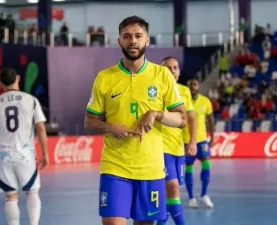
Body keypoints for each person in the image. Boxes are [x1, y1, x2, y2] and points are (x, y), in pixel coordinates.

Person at [84, 16, 187, 225]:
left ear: (147, 40)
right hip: (115, 167)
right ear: (119, 41)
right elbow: (89, 122)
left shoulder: (162, 75)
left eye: (138, 36)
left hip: (151, 168)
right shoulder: (104, 78)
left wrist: (156, 114)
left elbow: (182, 119)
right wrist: (109, 126)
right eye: (127, 36)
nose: (133, 41)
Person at [0, 68, 49, 225]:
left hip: (4, 156)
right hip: (25, 155)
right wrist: (45, 153)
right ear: (18, 78)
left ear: (0, 83)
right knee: (32, 191)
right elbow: (40, 128)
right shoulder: (31, 100)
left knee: (10, 196)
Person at [156, 57, 197, 225]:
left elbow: (192, 119)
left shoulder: (184, 91)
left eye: (175, 67)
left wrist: (193, 141)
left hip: (178, 149)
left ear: (179, 71)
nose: (172, 70)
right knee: (172, 188)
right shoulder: (155, 90)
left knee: (172, 193)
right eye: (168, 67)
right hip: (160, 148)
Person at [183, 78, 215, 208]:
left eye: (195, 85)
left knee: (206, 163)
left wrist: (212, 136)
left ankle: (204, 194)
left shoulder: (205, 101)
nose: (192, 87)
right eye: (190, 85)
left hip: (201, 139)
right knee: (189, 167)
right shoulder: (182, 100)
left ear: (199, 87)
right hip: (186, 140)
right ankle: (191, 198)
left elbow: (211, 120)